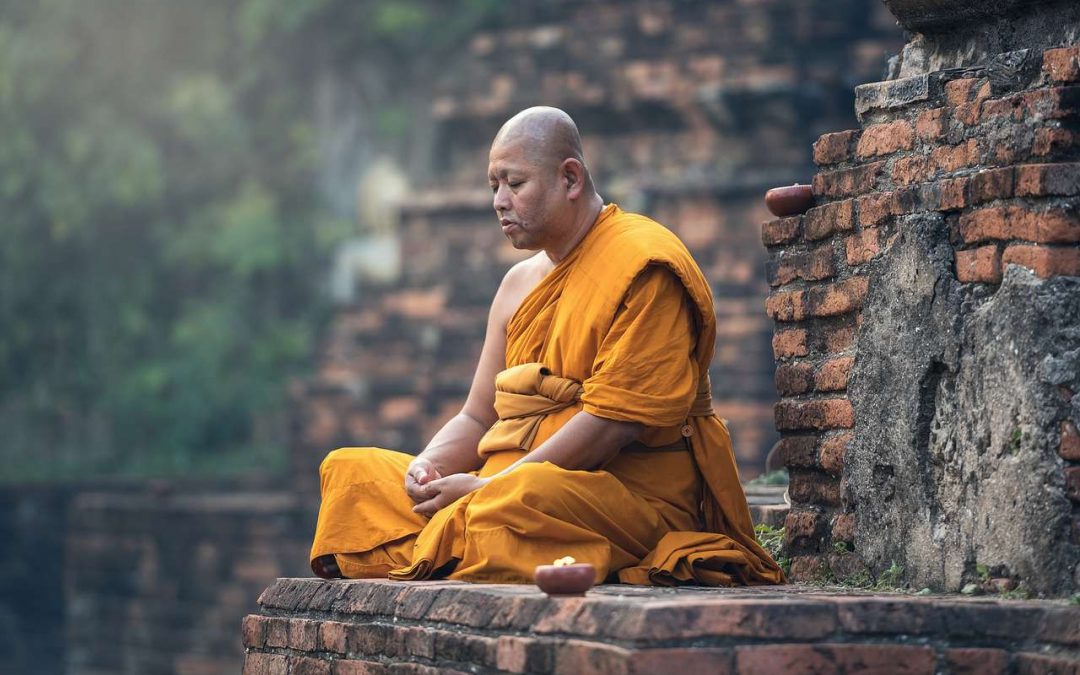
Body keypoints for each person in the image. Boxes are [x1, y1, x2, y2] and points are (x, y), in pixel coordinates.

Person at [309, 106, 784, 586]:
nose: (499, 201)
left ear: (570, 179)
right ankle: (452, 535)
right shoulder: (517, 284)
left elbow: (610, 425)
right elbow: (478, 417)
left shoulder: (643, 265)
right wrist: (427, 469)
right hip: (504, 484)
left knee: (517, 503)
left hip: (615, 494)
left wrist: (489, 486)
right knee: (351, 473)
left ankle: (443, 539)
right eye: (493, 185)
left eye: (514, 184)